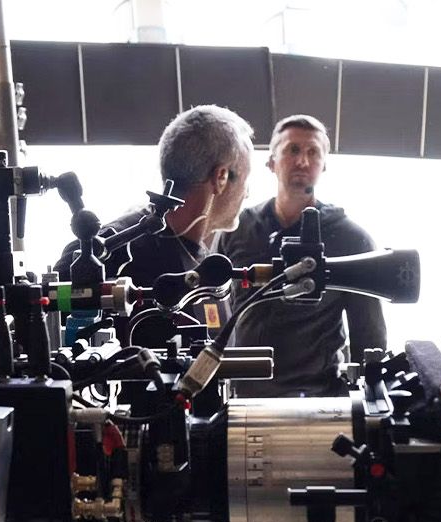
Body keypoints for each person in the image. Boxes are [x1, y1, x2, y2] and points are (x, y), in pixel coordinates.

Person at [215, 114, 386, 397]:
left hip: (316, 398)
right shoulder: (238, 228)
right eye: (292, 150)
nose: (303, 161)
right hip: (242, 394)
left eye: (313, 152)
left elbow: (369, 334)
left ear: (324, 164)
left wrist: (370, 399)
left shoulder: (352, 240)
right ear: (271, 161)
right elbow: (216, 307)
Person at [54, 105, 254, 335]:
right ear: (221, 177)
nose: (247, 194)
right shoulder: (113, 249)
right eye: (246, 180)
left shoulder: (206, 262)